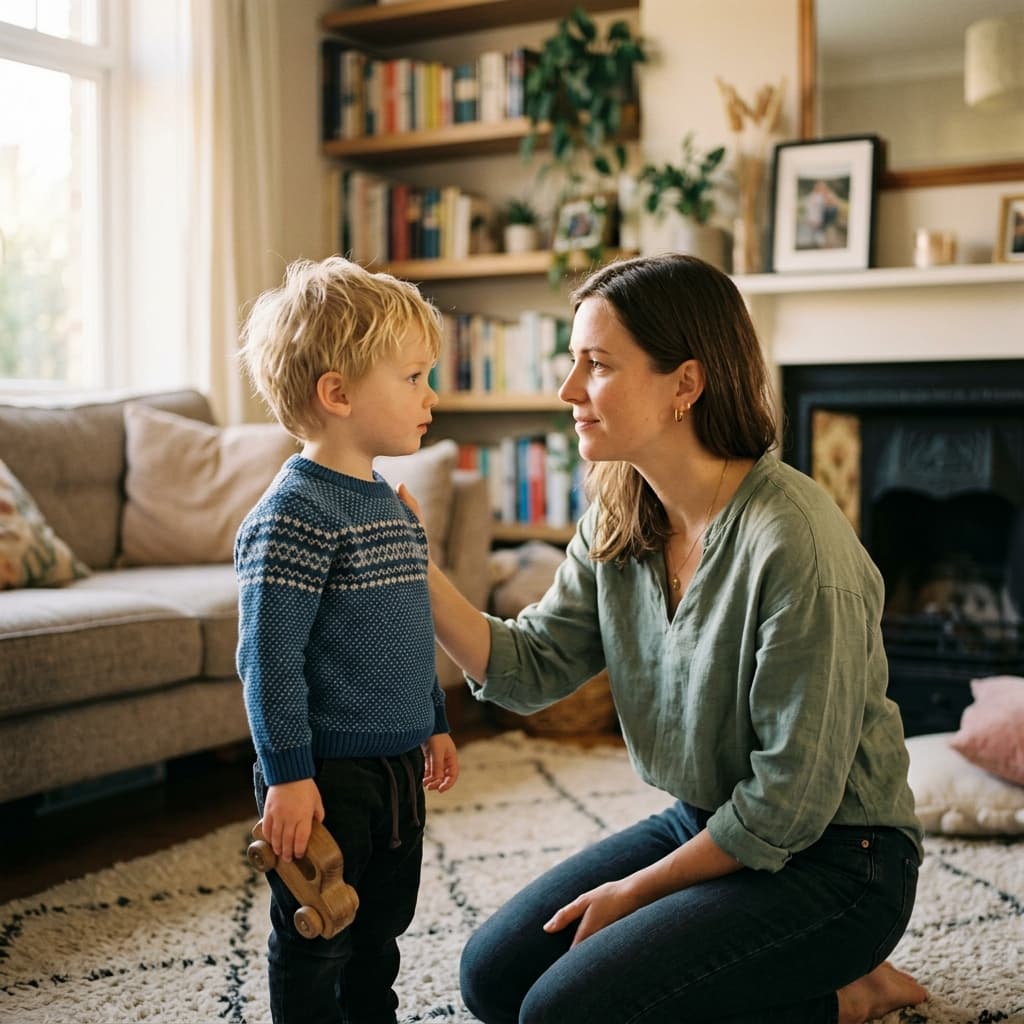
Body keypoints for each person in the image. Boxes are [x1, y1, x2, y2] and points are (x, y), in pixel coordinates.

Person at [402, 253, 928, 1023]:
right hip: (709, 820)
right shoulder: (620, 517)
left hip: (841, 863)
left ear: (686, 384)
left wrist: (637, 892)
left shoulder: (796, 543)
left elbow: (789, 806)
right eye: (573, 361)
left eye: (598, 364)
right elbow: (528, 668)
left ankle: (845, 993)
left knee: (561, 1016)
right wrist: (416, 565)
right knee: (493, 979)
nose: (568, 389)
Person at [234, 256, 460, 1024]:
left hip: (395, 770)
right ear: (338, 394)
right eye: (413, 377)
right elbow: (268, 659)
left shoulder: (391, 505)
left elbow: (406, 626)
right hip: (326, 774)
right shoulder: (293, 514)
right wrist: (288, 774)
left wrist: (433, 719)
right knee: (320, 929)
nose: (431, 395)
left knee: (380, 928)